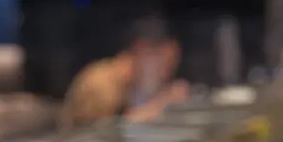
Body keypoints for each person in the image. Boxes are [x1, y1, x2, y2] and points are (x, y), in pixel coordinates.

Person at [61, 17, 189, 128]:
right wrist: (160, 103)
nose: (166, 76)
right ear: (142, 49)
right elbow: (99, 134)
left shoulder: (136, 82)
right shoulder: (102, 82)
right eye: (165, 66)